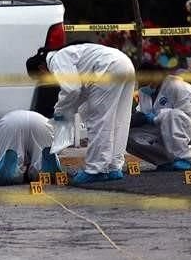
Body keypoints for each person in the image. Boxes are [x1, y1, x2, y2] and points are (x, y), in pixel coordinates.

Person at [26, 43, 135, 185]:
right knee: (119, 119)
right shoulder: (67, 54)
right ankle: (113, 166)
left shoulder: (56, 61)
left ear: (41, 68)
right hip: (124, 63)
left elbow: (72, 90)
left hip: (108, 68)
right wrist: (67, 112)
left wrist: (60, 111)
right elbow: (80, 92)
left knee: (99, 120)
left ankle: (95, 169)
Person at [127, 64, 191, 171]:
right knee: (128, 137)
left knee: (172, 115)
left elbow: (183, 118)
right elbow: (143, 112)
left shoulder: (179, 87)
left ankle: (185, 158)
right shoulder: (144, 91)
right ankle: (167, 161)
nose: (142, 84)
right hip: (162, 130)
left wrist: (157, 117)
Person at [0, 109, 63, 185]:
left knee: (2, 163)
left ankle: (11, 171)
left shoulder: (0, 123)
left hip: (9, 124)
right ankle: (43, 167)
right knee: (40, 159)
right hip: (42, 123)